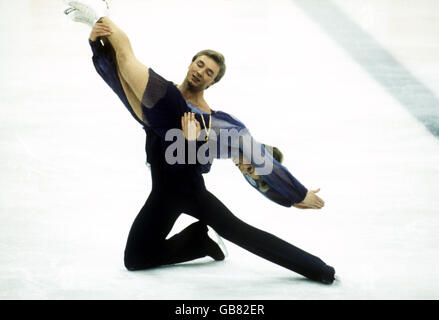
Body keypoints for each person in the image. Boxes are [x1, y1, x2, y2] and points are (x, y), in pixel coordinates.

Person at [63, 1, 336, 284]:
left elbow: (252, 156)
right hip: (162, 194)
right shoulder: (157, 103)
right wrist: (97, 45)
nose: (201, 72)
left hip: (191, 191)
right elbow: (117, 80)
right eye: (200, 64)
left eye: (209, 73)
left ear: (212, 82)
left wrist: (296, 195)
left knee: (243, 234)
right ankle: (198, 241)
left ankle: (320, 270)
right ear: (191, 62)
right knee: (135, 259)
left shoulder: (209, 120)